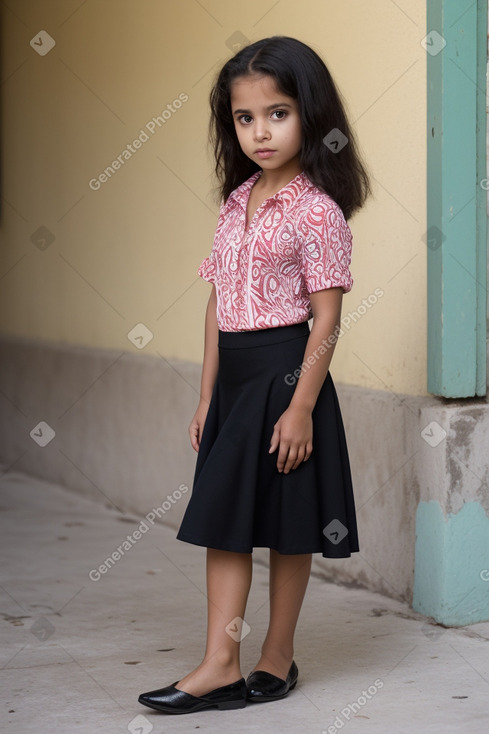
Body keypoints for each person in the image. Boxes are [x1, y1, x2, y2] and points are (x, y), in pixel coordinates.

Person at [138, 35, 371, 715]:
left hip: (284, 373)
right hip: (234, 380)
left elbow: (324, 321)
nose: (260, 131)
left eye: (277, 113)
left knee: (287, 522)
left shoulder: (316, 210)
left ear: (310, 115)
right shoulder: (233, 201)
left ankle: (275, 655)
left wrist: (300, 406)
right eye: (244, 118)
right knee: (225, 521)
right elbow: (216, 302)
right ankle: (220, 663)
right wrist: (206, 394)